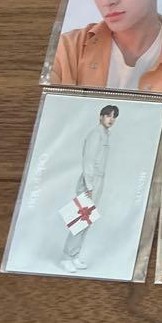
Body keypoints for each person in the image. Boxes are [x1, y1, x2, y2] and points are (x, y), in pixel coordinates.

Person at [61, 104, 118, 273]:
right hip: (90, 181)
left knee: (87, 221)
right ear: (101, 117)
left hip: (98, 181)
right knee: (80, 220)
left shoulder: (106, 134)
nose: (111, 119)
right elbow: (88, 161)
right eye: (108, 115)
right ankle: (66, 258)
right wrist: (90, 185)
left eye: (114, 117)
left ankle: (74, 255)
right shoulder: (95, 134)